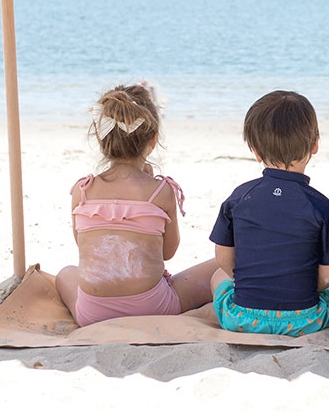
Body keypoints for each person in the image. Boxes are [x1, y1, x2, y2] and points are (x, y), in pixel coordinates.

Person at [56, 83, 218, 325]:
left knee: (65, 274)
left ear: (101, 138)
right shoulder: (160, 192)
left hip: (92, 314)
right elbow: (168, 252)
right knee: (219, 266)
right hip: (153, 307)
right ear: (153, 140)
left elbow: (84, 244)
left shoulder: (83, 191)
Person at [209, 90, 329, 337]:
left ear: (256, 152)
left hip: (242, 319)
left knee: (217, 277)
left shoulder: (239, 198)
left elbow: (223, 259)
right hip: (305, 321)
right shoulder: (321, 206)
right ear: (315, 144)